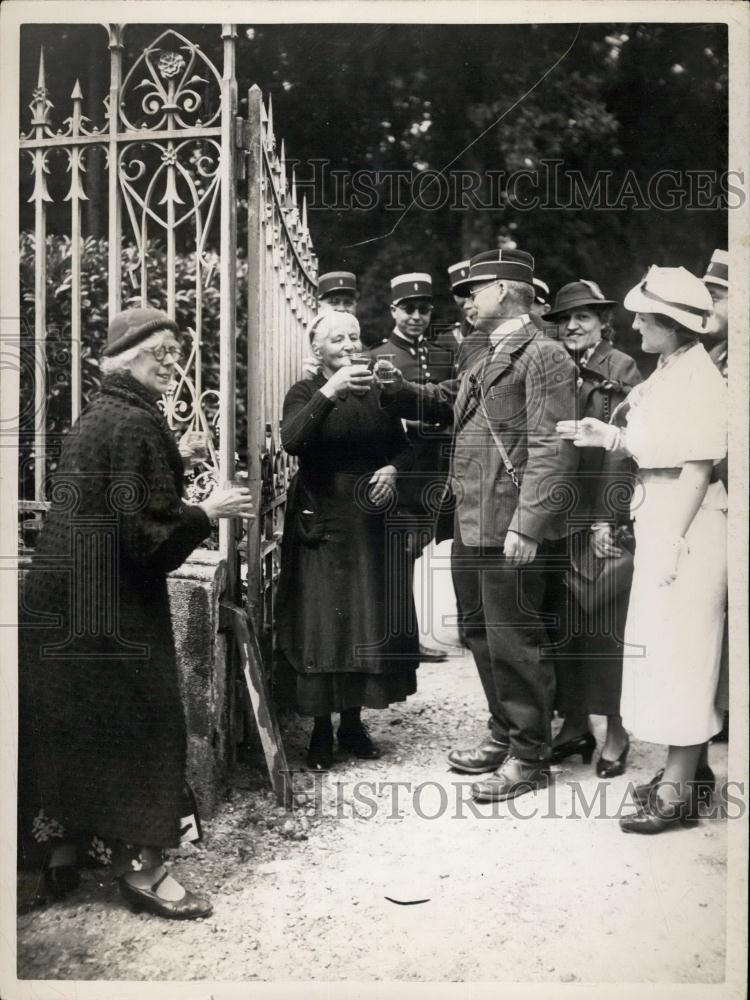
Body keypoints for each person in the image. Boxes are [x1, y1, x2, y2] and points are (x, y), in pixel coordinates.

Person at [18, 307, 255, 918]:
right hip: (111, 608)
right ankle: (142, 871)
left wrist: (180, 453)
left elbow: (126, 486)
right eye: (163, 353)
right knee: (145, 727)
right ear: (127, 359)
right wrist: (210, 510)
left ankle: (63, 854)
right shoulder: (135, 424)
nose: (173, 363)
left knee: (71, 723)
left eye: (176, 352)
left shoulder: (104, 414)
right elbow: (146, 539)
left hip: (60, 603)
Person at [380, 249, 580, 801]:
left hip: (510, 523)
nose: (465, 301)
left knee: (515, 639)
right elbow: (450, 402)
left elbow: (550, 447)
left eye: (475, 289)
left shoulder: (545, 355)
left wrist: (530, 523)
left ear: (508, 291)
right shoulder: (486, 352)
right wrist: (396, 389)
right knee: (479, 632)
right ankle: (504, 732)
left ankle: (530, 754)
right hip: (473, 521)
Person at [557, 266, 728, 833]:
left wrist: (675, 541)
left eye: (645, 317)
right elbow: (657, 446)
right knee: (667, 645)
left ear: (673, 325)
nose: (634, 324)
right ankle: (690, 774)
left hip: (691, 521)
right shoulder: (671, 369)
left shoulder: (699, 378)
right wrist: (608, 436)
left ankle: (679, 789)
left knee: (684, 651)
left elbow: (699, 467)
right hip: (663, 513)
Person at [276, 310, 419, 771]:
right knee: (324, 623)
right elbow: (292, 441)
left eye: (355, 336)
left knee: (365, 618)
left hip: (371, 521)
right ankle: (320, 732)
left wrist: (393, 469)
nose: (349, 345)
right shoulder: (304, 392)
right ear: (317, 349)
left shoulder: (377, 389)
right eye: (337, 339)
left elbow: (404, 445)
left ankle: (353, 725)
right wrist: (328, 392)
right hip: (323, 517)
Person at [543, 280, 642, 776]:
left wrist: (610, 517)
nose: (573, 326)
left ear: (604, 322)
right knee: (565, 624)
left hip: (599, 514)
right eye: (565, 318)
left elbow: (622, 453)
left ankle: (617, 730)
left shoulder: (620, 367)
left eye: (583, 317)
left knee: (607, 625)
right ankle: (575, 724)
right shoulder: (558, 365)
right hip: (560, 515)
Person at [370, 272, 454, 662]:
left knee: (425, 551)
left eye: (423, 309)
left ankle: (414, 637)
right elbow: (375, 417)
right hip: (402, 470)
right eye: (409, 309)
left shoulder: (443, 354)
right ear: (394, 310)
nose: (416, 316)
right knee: (401, 555)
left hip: (437, 469)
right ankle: (403, 640)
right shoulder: (377, 356)